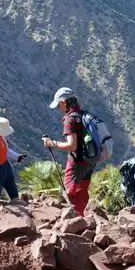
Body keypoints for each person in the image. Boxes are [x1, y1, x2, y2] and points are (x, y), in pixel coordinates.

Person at [43, 87, 95, 216]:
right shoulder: (83, 114)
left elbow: (72, 146)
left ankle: (75, 221)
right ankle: (83, 219)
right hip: (90, 160)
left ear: (64, 103)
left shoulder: (70, 119)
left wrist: (52, 143)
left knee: (71, 192)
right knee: (82, 193)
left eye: (58, 105)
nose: (59, 108)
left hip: (77, 162)